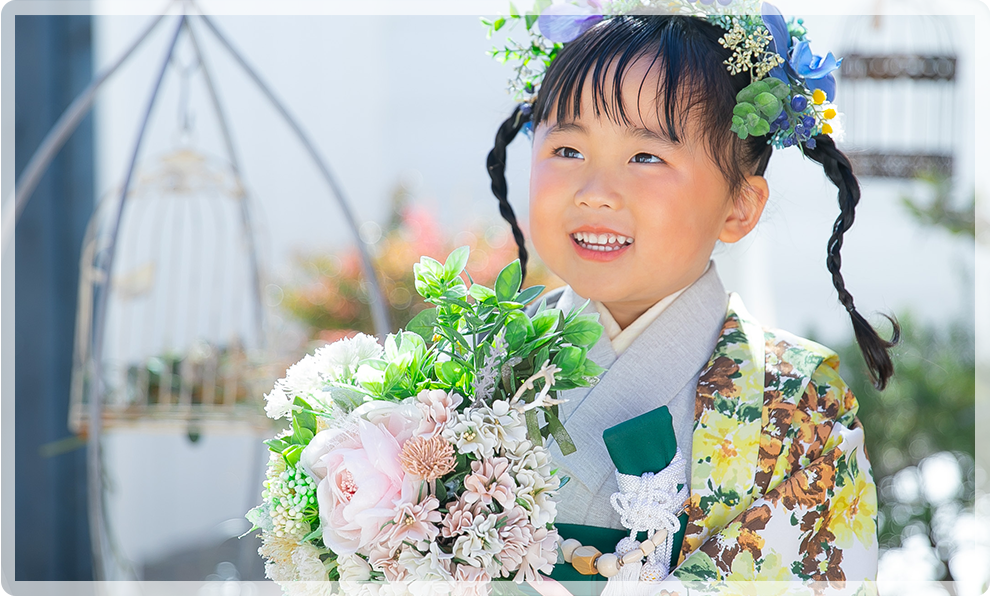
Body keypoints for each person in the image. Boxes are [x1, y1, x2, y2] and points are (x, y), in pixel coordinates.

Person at [484, 2, 897, 590]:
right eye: (568, 151)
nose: (596, 192)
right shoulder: (479, 361)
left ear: (739, 206)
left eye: (646, 156)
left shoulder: (798, 403)